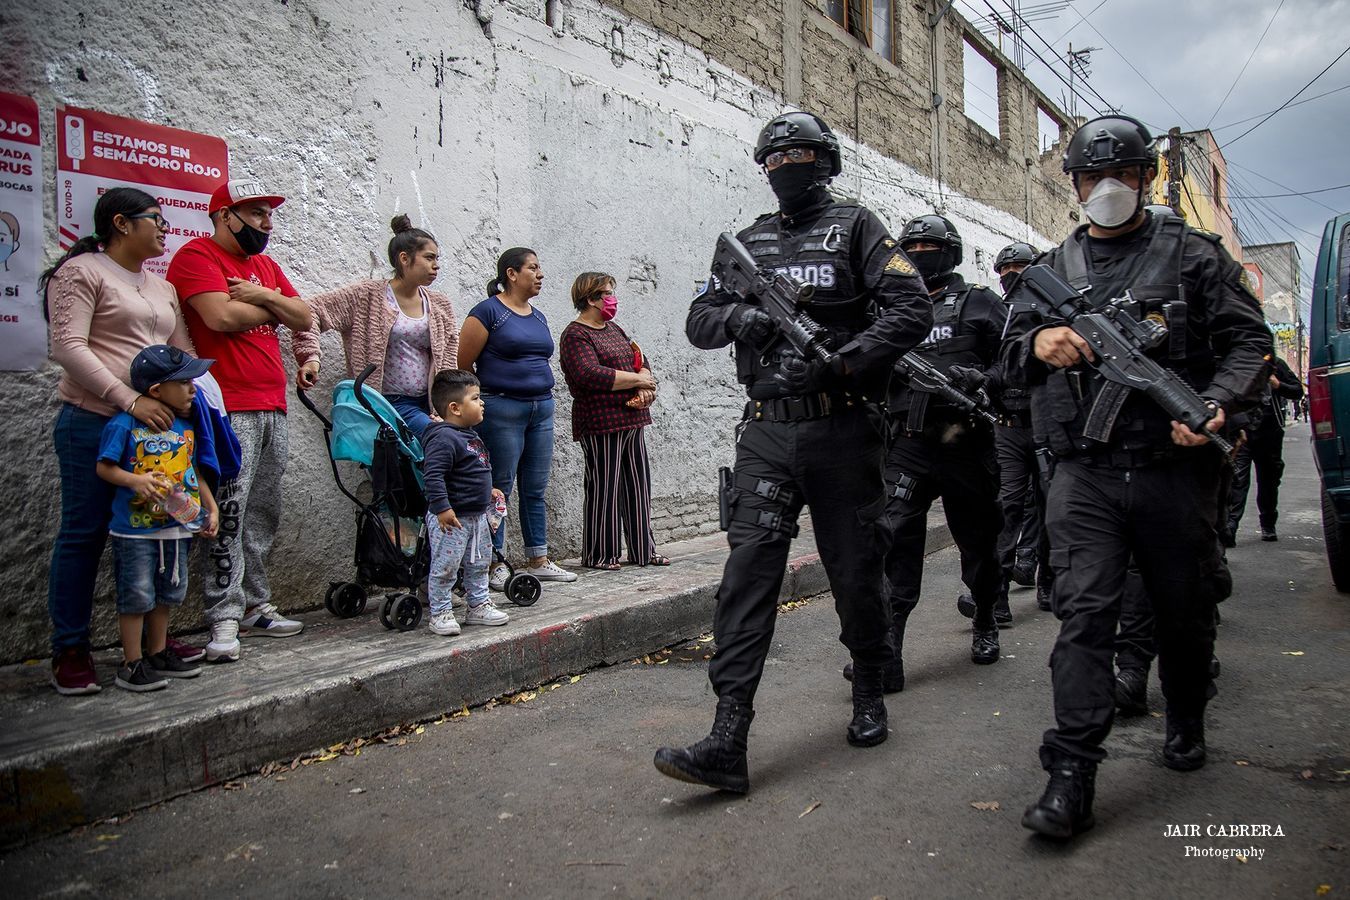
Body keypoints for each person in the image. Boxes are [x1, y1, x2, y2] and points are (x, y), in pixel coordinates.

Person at [1004, 114, 1271, 839]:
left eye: (1124, 175)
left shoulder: (1195, 256)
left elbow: (1250, 343)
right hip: (1084, 474)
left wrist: (1215, 405)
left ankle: (1185, 713)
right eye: (1095, 177)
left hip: (1173, 470)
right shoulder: (1053, 267)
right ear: (1076, 185)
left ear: (1149, 179)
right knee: (1085, 616)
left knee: (1183, 613)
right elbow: (1008, 360)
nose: (1109, 188)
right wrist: (1040, 342)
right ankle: (1071, 772)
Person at [654, 111, 932, 793]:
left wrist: (844, 363)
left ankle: (869, 683)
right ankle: (728, 736)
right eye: (774, 159)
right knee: (747, 577)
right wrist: (739, 317)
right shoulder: (746, 243)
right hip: (768, 433)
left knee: (854, 569)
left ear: (826, 161)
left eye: (799, 154)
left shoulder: (858, 226)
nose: (786, 166)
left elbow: (911, 310)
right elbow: (698, 321)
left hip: (842, 430)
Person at [42, 186, 201, 695]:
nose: (164, 227)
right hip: (94, 421)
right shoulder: (82, 271)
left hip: (156, 434)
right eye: (154, 218)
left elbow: (181, 351)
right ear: (121, 223)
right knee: (84, 533)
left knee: (158, 533)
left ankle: (153, 648)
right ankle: (71, 648)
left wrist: (190, 400)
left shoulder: (160, 286)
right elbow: (67, 346)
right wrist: (129, 400)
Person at [166, 177, 317, 662]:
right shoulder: (196, 258)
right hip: (228, 405)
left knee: (262, 511)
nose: (265, 223)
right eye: (255, 214)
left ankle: (255, 603)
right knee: (227, 513)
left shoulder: (264, 267)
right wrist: (267, 301)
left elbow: (303, 316)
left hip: (273, 401)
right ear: (224, 215)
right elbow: (219, 319)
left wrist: (259, 294)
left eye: (269, 215)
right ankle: (223, 618)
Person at [869, 214, 1008, 682]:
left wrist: (983, 382)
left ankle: (985, 615)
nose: (923, 254)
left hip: (967, 443)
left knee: (979, 543)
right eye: (914, 247)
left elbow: (1014, 362)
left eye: (931, 246)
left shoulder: (981, 304)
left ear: (951, 252)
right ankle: (889, 650)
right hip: (909, 444)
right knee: (895, 541)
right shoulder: (889, 309)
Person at [95, 346, 220, 690]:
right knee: (136, 596)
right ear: (156, 390)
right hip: (135, 532)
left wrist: (212, 508)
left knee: (168, 595)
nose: (194, 389)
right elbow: (103, 468)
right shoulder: (124, 424)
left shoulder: (186, 426)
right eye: (184, 383)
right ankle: (131, 663)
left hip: (176, 530)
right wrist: (136, 481)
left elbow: (194, 471)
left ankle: (158, 652)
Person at [458, 247, 576, 586]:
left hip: (541, 408)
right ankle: (494, 563)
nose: (540, 275)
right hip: (501, 410)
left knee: (535, 488)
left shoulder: (537, 316)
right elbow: (464, 365)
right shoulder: (487, 312)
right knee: (499, 488)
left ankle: (538, 557)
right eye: (533, 268)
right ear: (511, 273)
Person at [305, 215, 459, 434]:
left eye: (437, 259)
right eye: (429, 258)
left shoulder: (440, 304)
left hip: (429, 405)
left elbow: (449, 359)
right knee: (440, 441)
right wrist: (311, 357)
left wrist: (446, 407)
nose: (436, 266)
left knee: (454, 448)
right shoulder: (366, 296)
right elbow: (312, 311)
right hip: (386, 403)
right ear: (404, 259)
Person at [558, 272, 667, 570]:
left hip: (632, 418)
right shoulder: (575, 334)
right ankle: (599, 554)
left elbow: (637, 357)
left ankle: (643, 551)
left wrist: (645, 384)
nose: (611, 299)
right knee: (604, 488)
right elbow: (589, 374)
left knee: (638, 486)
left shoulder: (614, 328)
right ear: (590, 299)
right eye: (606, 294)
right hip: (600, 422)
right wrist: (640, 379)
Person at [422, 370, 512, 635]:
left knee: (479, 564)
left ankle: (478, 605)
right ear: (455, 408)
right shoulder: (443, 437)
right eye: (475, 398)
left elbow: (476, 469)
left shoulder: (470, 435)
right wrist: (442, 508)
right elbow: (433, 475)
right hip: (452, 519)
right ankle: (440, 612)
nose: (481, 402)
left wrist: (490, 491)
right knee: (446, 567)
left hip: (477, 517)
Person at [991, 241, 1045, 596]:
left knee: (1049, 503)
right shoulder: (995, 313)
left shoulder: (1051, 313)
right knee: (1007, 504)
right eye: (1006, 271)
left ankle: (1047, 580)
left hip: (1044, 424)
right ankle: (996, 594)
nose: (1012, 275)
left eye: (1020, 268)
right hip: (1006, 423)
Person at [1226, 354, 1303, 542]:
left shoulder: (1276, 365)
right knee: (1237, 481)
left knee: (1268, 481)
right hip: (1243, 433)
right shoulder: (1236, 362)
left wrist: (1278, 385)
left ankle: (1268, 524)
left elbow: (1297, 391)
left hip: (1269, 434)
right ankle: (1230, 528)